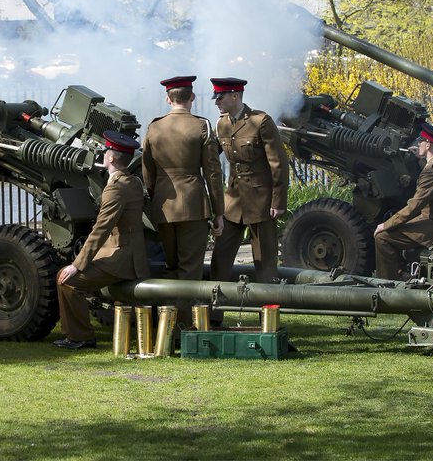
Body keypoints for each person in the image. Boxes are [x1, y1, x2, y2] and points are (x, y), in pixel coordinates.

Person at [141, 75, 225, 329]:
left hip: (163, 207)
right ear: (192, 97)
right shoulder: (202, 126)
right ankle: (184, 327)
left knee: (170, 267)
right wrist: (218, 212)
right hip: (193, 206)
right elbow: (213, 174)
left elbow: (147, 172)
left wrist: (155, 198)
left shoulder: (154, 127)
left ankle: (166, 327)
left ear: (168, 99)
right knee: (190, 269)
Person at [54, 130, 149, 350]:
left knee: (66, 281)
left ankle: (80, 336)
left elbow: (101, 230)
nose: (104, 154)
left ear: (112, 158)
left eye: (106, 151)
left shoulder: (116, 188)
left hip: (121, 257)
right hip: (130, 253)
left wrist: (77, 265)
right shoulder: (133, 182)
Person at [208, 77, 290, 285]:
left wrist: (277, 201)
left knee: (265, 262)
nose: (217, 102)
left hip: (260, 201)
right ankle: (216, 305)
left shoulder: (260, 121)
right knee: (220, 258)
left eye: (220, 97)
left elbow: (278, 163)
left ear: (235, 96)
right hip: (233, 200)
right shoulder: (221, 124)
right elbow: (210, 156)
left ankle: (268, 304)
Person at [373, 122, 433, 281]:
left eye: (421, 141)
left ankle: (389, 283)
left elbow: (415, 205)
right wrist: (420, 159)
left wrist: (386, 225)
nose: (418, 144)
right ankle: (403, 274)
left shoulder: (432, 171)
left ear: (428, 145)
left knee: (383, 237)